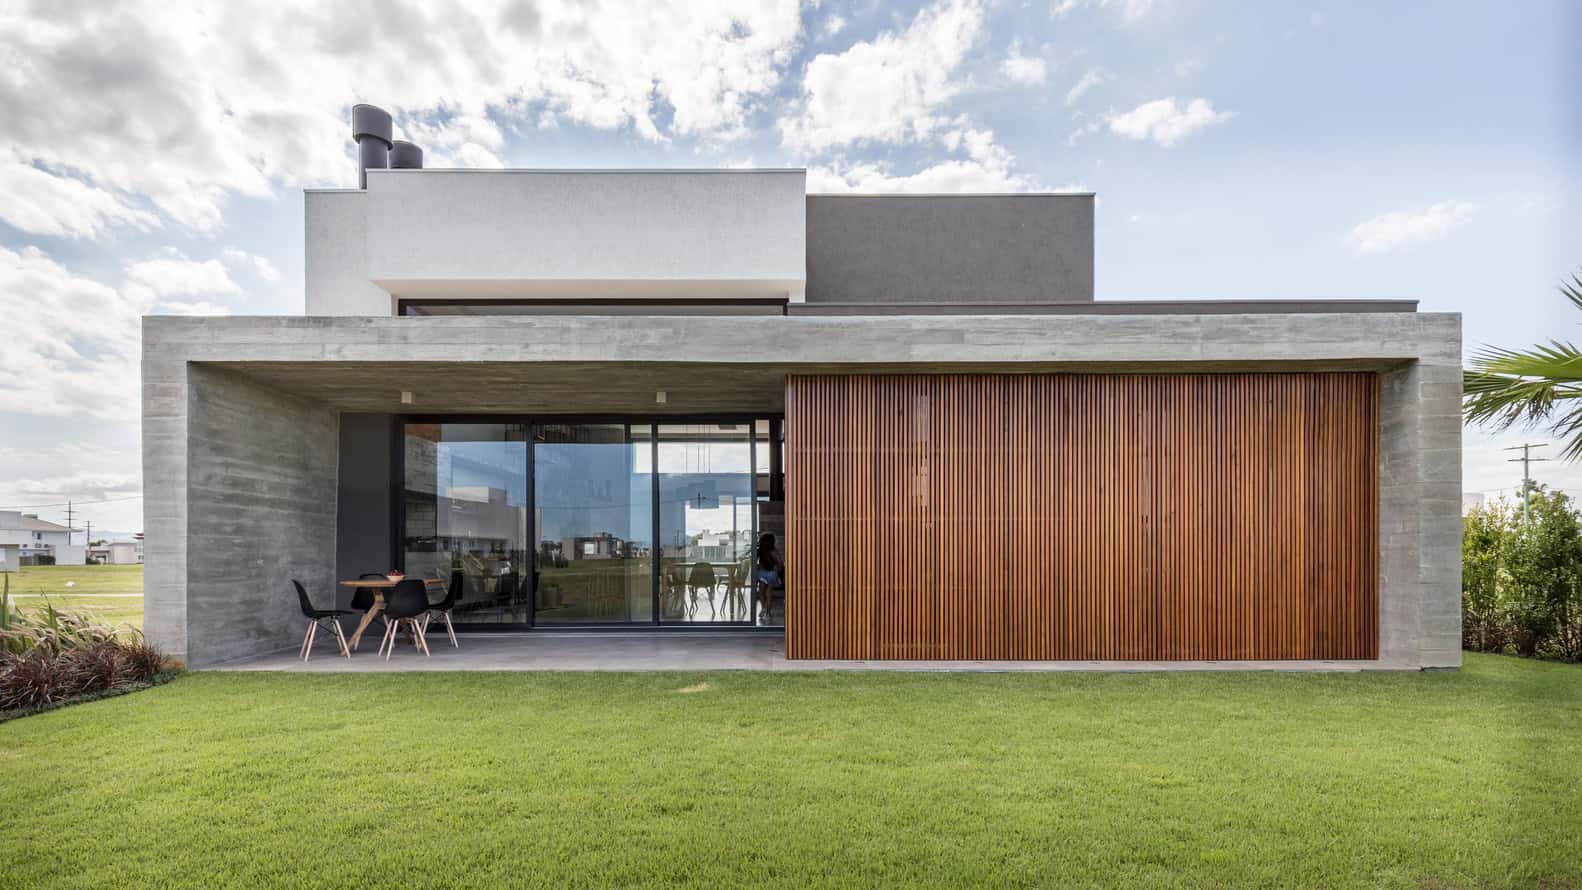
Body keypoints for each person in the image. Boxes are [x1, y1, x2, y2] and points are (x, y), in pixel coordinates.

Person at [754, 533, 782, 625]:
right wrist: (777, 569)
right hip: (768, 573)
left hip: (766, 573)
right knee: (767, 592)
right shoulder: (770, 550)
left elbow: (780, 563)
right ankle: (766, 611)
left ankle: (765, 609)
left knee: (763, 591)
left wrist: (776, 569)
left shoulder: (763, 550)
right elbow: (780, 563)